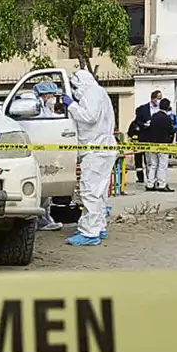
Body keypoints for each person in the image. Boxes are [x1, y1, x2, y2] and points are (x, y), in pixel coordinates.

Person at [62, 69, 117, 246]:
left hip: (95, 150)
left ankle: (90, 233)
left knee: (90, 191)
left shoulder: (91, 92)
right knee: (99, 192)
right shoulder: (100, 92)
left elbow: (89, 117)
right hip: (103, 148)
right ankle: (98, 227)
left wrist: (71, 105)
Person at [32, 81, 64, 231]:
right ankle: (41, 220)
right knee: (42, 188)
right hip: (39, 151)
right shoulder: (35, 104)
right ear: (45, 94)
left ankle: (44, 218)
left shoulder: (43, 106)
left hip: (44, 151)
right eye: (51, 94)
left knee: (47, 189)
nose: (53, 97)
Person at [144, 98, 175, 192]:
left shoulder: (154, 116)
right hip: (163, 144)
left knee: (153, 164)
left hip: (153, 143)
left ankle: (150, 184)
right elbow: (171, 130)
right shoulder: (167, 119)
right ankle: (162, 184)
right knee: (162, 165)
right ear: (168, 107)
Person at [131, 90, 161, 184]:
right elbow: (137, 121)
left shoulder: (161, 109)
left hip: (154, 138)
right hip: (143, 137)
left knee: (151, 162)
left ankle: (151, 179)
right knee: (139, 160)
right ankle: (141, 179)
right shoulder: (142, 109)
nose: (159, 100)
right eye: (158, 98)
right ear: (153, 98)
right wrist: (144, 124)